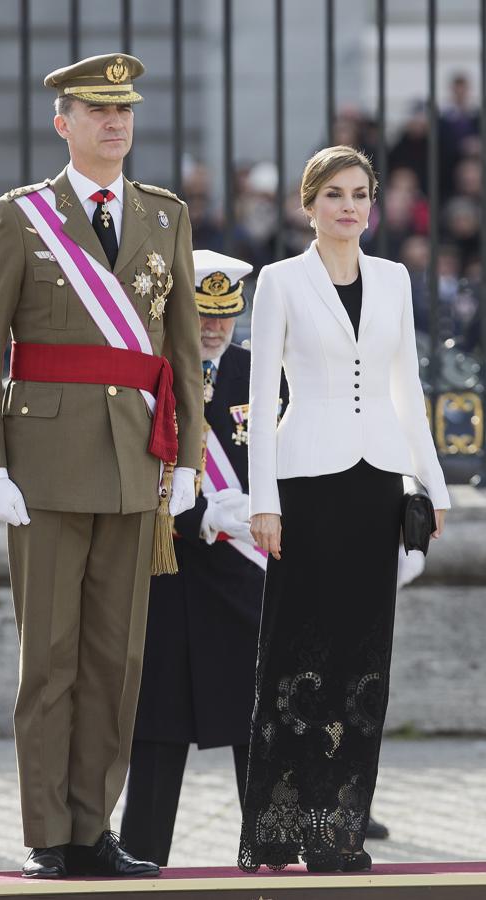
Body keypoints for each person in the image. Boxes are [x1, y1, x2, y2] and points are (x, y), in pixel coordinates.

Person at [0, 53, 203, 879]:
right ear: (62, 123)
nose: (114, 123)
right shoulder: (19, 217)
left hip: (135, 464)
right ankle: (47, 832)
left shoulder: (165, 216)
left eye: (124, 110)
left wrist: (189, 462)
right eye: (97, 111)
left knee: (115, 660)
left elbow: (181, 354)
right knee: (49, 659)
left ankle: (93, 826)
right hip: (44, 469)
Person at [238, 145, 450, 874]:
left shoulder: (393, 279)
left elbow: (406, 389)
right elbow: (262, 395)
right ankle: (278, 829)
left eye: (359, 194)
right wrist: (262, 501)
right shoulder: (279, 280)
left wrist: (433, 485)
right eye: (334, 194)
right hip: (304, 485)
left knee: (363, 661)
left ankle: (338, 832)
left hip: (374, 488)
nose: (349, 207)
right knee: (297, 656)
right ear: (309, 205)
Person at [120, 250, 286, 865]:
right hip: (171, 573)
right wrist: (198, 515)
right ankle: (141, 858)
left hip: (245, 576)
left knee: (258, 728)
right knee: (158, 731)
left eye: (225, 315)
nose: (214, 328)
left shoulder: (263, 374)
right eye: (202, 315)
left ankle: (270, 854)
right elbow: (133, 469)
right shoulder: (152, 373)